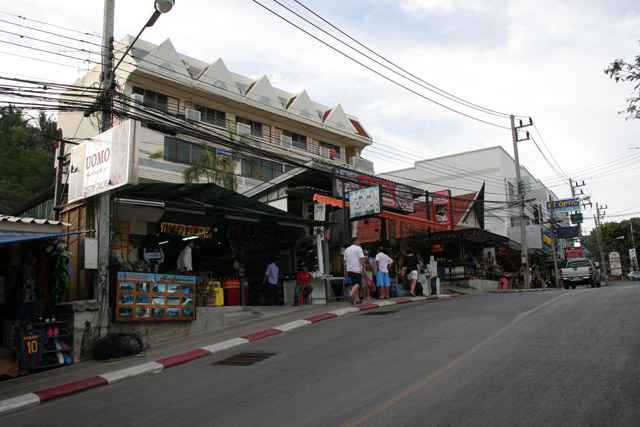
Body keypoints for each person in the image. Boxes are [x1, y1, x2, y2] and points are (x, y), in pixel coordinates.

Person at [343, 238, 365, 305]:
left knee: (355, 283)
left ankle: (357, 299)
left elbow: (344, 261)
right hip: (356, 268)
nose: (359, 242)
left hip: (349, 268)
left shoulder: (347, 249)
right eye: (358, 241)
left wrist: (345, 270)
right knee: (358, 283)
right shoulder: (358, 248)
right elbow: (361, 259)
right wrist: (364, 267)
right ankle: (350, 294)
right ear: (355, 241)